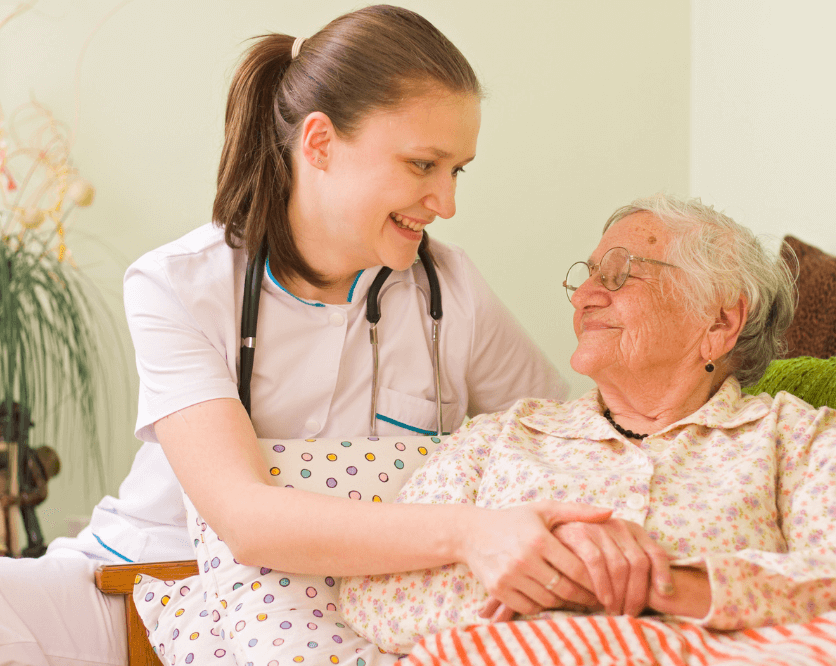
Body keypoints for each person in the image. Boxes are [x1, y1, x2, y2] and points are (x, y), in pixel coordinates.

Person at [0, 7, 617, 666]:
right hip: (147, 582)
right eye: (422, 164)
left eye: (456, 170)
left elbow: (560, 446)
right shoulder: (178, 285)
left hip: (348, 607)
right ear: (319, 143)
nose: (446, 201)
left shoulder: (451, 291)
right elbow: (245, 519)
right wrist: (471, 533)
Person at [338, 193, 836, 654]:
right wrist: (552, 573)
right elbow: (367, 593)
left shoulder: (791, 435)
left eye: (617, 275)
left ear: (719, 318)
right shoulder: (504, 436)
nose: (583, 297)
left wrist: (664, 584)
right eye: (585, 276)